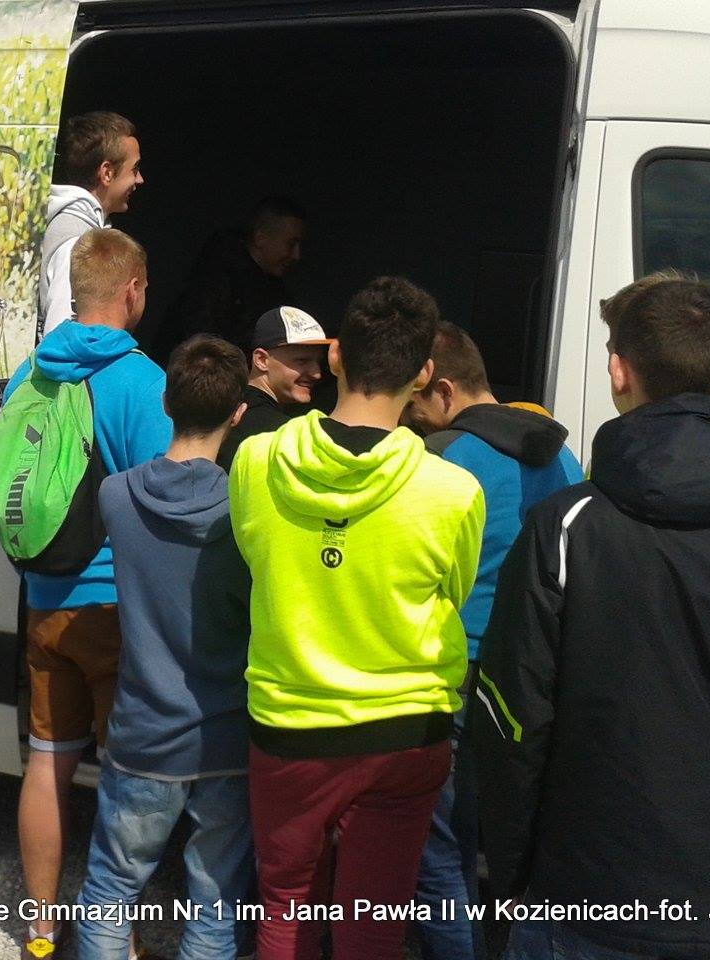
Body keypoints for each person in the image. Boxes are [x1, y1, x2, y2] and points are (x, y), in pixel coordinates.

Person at [477, 272, 710, 960]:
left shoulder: (564, 527)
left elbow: (511, 720)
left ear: (618, 371)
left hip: (578, 899)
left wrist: (515, 876)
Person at [228, 276, 484, 960]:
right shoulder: (455, 491)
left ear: (336, 355)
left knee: (286, 901)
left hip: (289, 720)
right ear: (424, 373)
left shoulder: (256, 460)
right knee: (374, 915)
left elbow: (255, 557)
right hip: (406, 727)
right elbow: (453, 595)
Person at [6, 228, 173, 959]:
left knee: (47, 762)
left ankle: (41, 930)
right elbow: (163, 504)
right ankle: (116, 938)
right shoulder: (141, 380)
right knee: (124, 784)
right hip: (113, 609)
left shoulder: (30, 373)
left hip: (44, 600)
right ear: (132, 289)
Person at [400, 322, 583, 960]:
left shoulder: (439, 459)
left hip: (452, 674)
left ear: (444, 390)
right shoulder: (561, 456)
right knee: (507, 839)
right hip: (529, 679)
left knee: (440, 847)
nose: (412, 419)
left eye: (416, 405)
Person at [76, 334, 256, 960]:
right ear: (239, 413)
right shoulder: (246, 509)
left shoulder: (117, 494)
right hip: (228, 733)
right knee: (217, 904)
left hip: (144, 731)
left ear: (166, 401)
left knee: (110, 890)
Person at [151, 196, 306, 361]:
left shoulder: (275, 290)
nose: (296, 255)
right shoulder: (213, 281)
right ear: (260, 238)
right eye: (291, 244)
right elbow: (200, 347)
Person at [39, 111, 143, 339]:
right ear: (107, 173)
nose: (139, 179)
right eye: (134, 169)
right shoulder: (76, 241)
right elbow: (59, 337)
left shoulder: (83, 229)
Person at [216, 305, 329, 469]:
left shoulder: (221, 414)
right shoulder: (284, 434)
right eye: (302, 361)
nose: (316, 373)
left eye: (318, 362)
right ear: (261, 360)